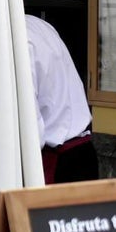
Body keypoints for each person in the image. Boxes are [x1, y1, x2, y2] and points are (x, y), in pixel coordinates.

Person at [26, 14, 98, 183]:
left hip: (59, 162)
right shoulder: (39, 25)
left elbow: (29, 126)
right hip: (84, 151)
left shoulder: (16, 40)